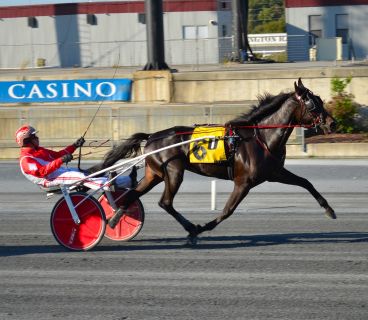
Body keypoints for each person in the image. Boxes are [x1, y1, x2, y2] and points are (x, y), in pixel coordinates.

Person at [15, 125, 137, 191]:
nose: (37, 138)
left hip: (59, 172)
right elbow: (41, 172)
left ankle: (129, 181)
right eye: (34, 136)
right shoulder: (26, 159)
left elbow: (59, 154)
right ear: (27, 140)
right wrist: (61, 160)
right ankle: (106, 186)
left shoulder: (39, 150)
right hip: (49, 180)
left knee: (93, 173)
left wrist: (75, 145)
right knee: (82, 177)